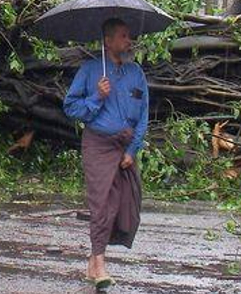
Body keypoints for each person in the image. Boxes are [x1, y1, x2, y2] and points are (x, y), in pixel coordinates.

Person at [63, 18, 148, 287]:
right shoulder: (91, 71)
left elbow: (144, 113)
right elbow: (71, 108)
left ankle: (93, 261)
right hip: (98, 145)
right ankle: (100, 265)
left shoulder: (136, 73)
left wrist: (133, 148)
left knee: (125, 207)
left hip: (124, 146)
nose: (128, 40)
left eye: (129, 35)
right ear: (107, 41)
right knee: (101, 206)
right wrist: (96, 97)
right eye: (123, 36)